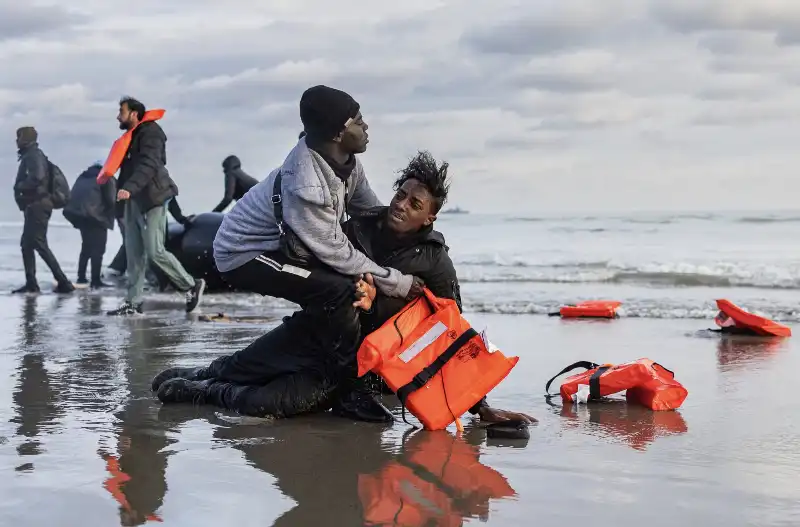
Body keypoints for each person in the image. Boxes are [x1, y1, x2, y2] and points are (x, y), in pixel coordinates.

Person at [154, 151, 535, 426]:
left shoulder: (435, 262)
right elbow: (318, 279)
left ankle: (202, 392)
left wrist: (481, 407)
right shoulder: (358, 229)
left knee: (272, 402)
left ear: (430, 216)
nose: (401, 204)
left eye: (414, 203)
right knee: (243, 365)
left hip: (354, 364)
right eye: (400, 194)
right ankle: (204, 372)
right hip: (311, 331)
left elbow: (451, 336)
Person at [212, 85, 420, 393]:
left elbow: (370, 213)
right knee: (339, 293)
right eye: (358, 120)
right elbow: (337, 252)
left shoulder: (348, 163)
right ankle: (349, 389)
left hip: (288, 245)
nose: (365, 127)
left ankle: (295, 366)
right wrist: (398, 282)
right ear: (337, 133)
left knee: (333, 300)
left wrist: (418, 230)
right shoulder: (306, 185)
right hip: (245, 253)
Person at [106, 97, 205, 316]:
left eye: (121, 111)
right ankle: (133, 302)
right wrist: (118, 205)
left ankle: (190, 285)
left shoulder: (152, 133)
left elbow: (149, 165)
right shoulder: (130, 138)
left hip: (153, 198)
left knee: (154, 250)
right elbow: (126, 173)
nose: (117, 116)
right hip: (132, 200)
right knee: (134, 253)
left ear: (134, 113)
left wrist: (130, 188)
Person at [12, 126, 74, 294]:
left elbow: (37, 178)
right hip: (36, 205)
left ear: (26, 138)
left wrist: (20, 186)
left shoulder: (33, 155)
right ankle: (31, 283)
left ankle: (63, 282)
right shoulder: (31, 155)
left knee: (38, 243)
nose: (16, 141)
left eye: (18, 137)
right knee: (27, 244)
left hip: (38, 205)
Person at [62, 160, 116, 288]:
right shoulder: (106, 177)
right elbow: (112, 200)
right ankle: (96, 281)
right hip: (96, 216)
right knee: (99, 249)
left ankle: (81, 277)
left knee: (86, 247)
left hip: (80, 215)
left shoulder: (83, 177)